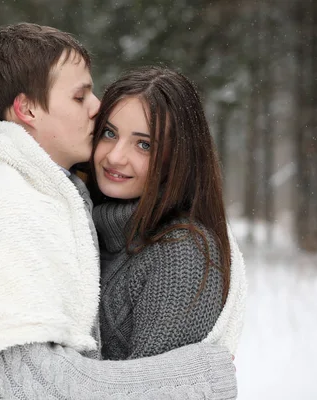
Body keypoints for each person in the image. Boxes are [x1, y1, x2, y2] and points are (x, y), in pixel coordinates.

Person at [0, 23, 237, 400]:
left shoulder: (165, 249)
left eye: (144, 144)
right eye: (81, 98)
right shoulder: (5, 206)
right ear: (27, 108)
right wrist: (201, 376)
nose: (97, 108)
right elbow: (28, 385)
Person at [88, 67, 247, 362]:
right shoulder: (85, 230)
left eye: (143, 144)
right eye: (110, 133)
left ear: (178, 158)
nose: (115, 156)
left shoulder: (181, 254)